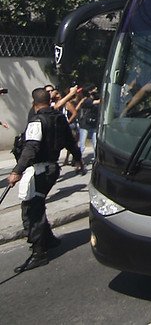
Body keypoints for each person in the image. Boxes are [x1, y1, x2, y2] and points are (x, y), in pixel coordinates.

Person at [7, 88, 83, 272]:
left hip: (40, 170)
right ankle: (48, 239)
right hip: (52, 168)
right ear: (49, 101)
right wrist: (78, 158)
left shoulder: (36, 121)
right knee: (38, 204)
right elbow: (71, 142)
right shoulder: (59, 118)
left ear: (33, 103)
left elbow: (31, 148)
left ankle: (38, 253)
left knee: (31, 210)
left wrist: (17, 171)